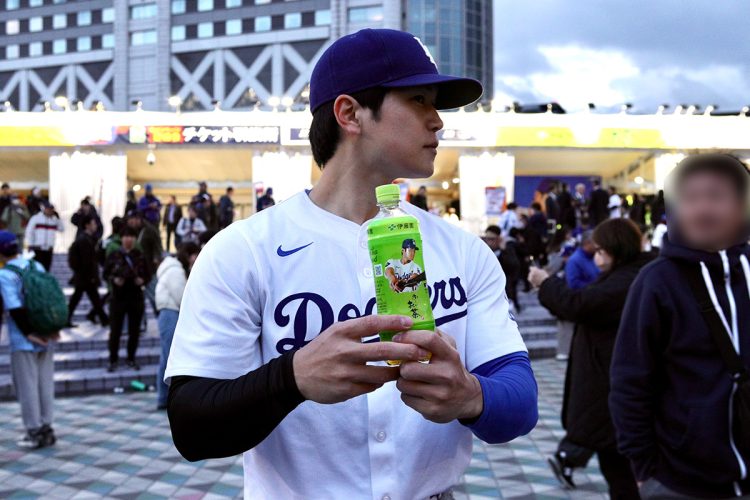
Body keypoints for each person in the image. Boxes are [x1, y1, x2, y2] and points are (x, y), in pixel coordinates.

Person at [166, 28, 538, 499]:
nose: (438, 121)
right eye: (419, 99)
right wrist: (292, 377)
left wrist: (471, 396)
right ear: (350, 113)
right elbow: (192, 427)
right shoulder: (243, 249)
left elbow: (521, 402)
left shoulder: (463, 251)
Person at [610, 154, 750, 499]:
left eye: (716, 196)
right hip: (681, 480)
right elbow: (630, 381)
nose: (703, 209)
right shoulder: (656, 281)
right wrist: (645, 470)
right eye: (690, 198)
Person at [529, 218, 651, 499]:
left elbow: (579, 304)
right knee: (615, 463)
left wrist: (544, 283)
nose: (596, 256)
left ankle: (568, 458)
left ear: (615, 249)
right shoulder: (630, 273)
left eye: (600, 250)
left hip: (615, 385)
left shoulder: (627, 279)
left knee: (620, 469)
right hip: (609, 382)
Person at [0, 231, 58, 449]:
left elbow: (14, 307)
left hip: (23, 338)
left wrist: (29, 333)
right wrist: (50, 330)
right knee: (45, 383)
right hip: (47, 333)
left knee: (27, 386)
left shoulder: (5, 275)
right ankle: (47, 427)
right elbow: (50, 296)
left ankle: (33, 431)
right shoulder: (36, 266)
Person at [155, 241, 201, 411]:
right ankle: (166, 397)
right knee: (169, 358)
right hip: (170, 314)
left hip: (168, 313)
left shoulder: (173, 268)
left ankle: (163, 397)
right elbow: (182, 297)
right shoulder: (175, 271)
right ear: (189, 254)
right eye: (195, 254)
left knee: (166, 357)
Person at [104, 226, 150, 372]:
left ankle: (131, 358)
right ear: (121, 238)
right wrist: (114, 280)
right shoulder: (115, 255)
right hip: (118, 297)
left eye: (131, 236)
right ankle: (113, 360)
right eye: (125, 236)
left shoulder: (139, 255)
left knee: (134, 330)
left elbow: (148, 275)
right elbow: (105, 273)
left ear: (135, 239)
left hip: (135, 297)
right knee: (115, 330)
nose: (128, 239)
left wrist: (142, 280)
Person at [67, 215, 109, 328]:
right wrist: (91, 275)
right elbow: (87, 261)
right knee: (90, 298)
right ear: (87, 225)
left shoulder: (88, 239)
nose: (95, 226)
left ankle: (102, 318)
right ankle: (103, 318)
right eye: (93, 223)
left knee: (86, 298)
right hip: (85, 276)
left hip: (84, 276)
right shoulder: (84, 240)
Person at [483, 225, 521, 313]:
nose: (489, 242)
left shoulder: (507, 250)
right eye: (487, 239)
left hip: (506, 290)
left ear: (499, 239)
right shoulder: (483, 251)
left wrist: (504, 250)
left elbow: (514, 266)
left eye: (492, 239)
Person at [24, 202, 64, 271]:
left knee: (47, 268)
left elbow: (62, 229)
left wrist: (58, 219)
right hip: (38, 248)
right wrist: (30, 244)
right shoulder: (36, 218)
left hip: (49, 248)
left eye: (51, 209)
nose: (49, 211)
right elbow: (29, 231)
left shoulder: (54, 220)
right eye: (48, 209)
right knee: (37, 268)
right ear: (44, 209)